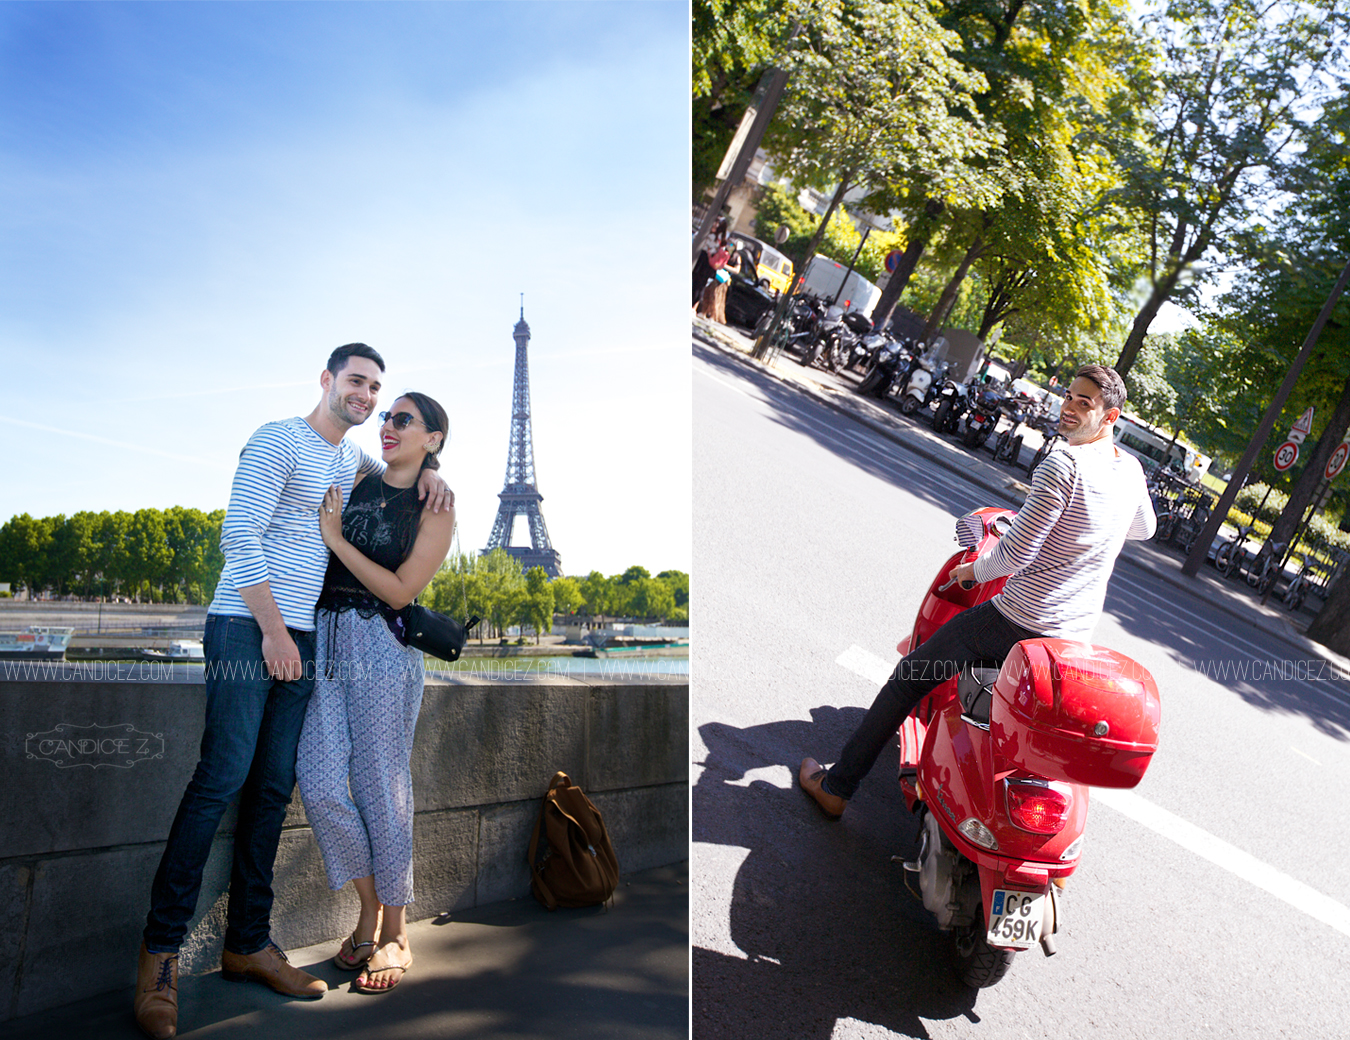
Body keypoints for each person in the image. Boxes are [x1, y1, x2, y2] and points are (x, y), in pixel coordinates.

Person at [134, 344, 452, 1040]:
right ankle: (159, 959)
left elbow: (400, 466)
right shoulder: (277, 440)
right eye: (357, 383)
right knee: (221, 778)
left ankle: (248, 942)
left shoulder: (351, 462)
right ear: (327, 380)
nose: (368, 398)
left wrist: (436, 475)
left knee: (276, 788)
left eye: (377, 390)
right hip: (250, 629)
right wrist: (275, 631)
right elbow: (238, 537)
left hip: (306, 641)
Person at [799, 364, 1155, 818]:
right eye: (1068, 397)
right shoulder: (1131, 470)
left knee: (908, 679)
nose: (1068, 408)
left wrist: (971, 573)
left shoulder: (1064, 465)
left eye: (1084, 403)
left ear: (1110, 417)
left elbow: (1014, 556)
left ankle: (837, 786)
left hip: (1016, 621)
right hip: (1072, 637)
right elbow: (1144, 527)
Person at [295, 392, 455, 995]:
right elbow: (334, 443)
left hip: (382, 648)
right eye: (387, 416)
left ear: (433, 438)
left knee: (380, 785)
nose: (388, 425)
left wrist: (336, 541)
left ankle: (396, 931)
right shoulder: (361, 471)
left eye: (403, 420)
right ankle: (369, 907)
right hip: (328, 639)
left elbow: (399, 591)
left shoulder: (435, 508)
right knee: (315, 775)